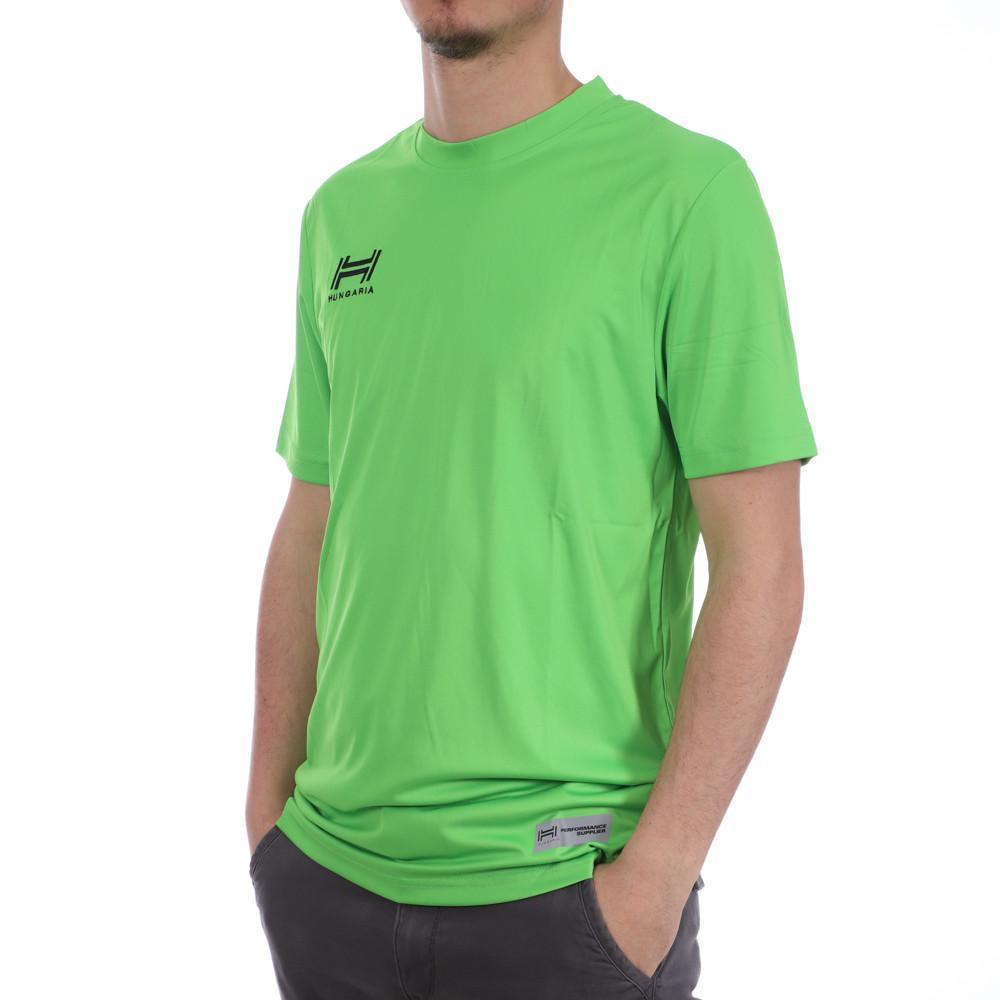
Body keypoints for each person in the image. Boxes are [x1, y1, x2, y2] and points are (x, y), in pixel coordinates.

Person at [245, 2, 818, 997]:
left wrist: (651, 885)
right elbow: (314, 519)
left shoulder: (687, 193)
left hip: (567, 892)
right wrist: (269, 825)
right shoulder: (342, 211)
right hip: (329, 885)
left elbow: (760, 563)